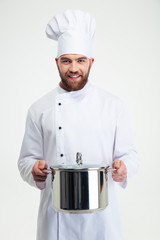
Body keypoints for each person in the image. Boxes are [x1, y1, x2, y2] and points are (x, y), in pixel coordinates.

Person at [18, 9, 139, 240]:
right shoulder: (39, 108)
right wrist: (33, 170)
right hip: (56, 220)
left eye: (80, 60)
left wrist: (125, 169)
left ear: (91, 62)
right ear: (56, 62)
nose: (73, 69)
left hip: (101, 219)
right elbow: (25, 160)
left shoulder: (113, 106)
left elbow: (131, 155)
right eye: (66, 61)